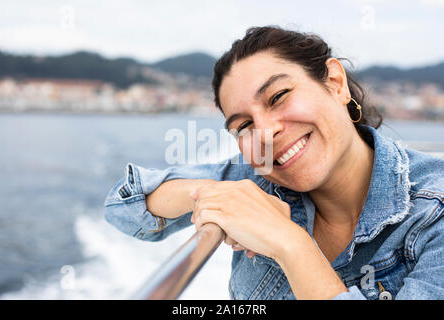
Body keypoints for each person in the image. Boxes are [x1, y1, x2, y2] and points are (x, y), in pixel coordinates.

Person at [104, 26, 444, 300]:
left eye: (278, 97)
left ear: (335, 84)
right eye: (244, 126)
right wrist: (222, 195)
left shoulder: (434, 213)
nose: (265, 132)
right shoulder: (257, 179)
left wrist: (291, 244)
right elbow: (124, 205)